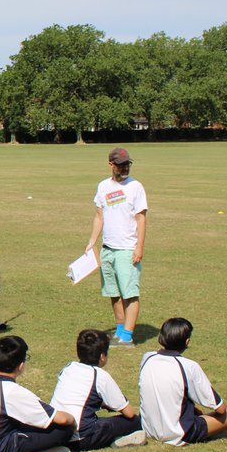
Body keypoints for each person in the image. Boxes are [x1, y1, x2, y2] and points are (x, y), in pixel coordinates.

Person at [138, 318, 227, 445]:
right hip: (180, 433)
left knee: (193, 409)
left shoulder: (147, 357)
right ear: (187, 341)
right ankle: (218, 431)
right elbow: (220, 409)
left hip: (147, 427)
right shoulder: (189, 366)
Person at [84, 147, 148, 348]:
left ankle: (127, 337)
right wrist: (92, 241)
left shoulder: (136, 187)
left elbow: (141, 218)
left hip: (127, 249)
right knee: (113, 293)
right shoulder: (103, 186)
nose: (125, 167)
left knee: (130, 294)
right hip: (108, 248)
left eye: (127, 164)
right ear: (111, 165)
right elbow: (99, 216)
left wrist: (139, 247)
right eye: (121, 165)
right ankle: (120, 331)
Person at [50, 329, 145, 451]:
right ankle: (122, 439)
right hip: (82, 437)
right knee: (134, 421)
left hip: (57, 433)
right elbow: (129, 413)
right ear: (102, 356)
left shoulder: (68, 367)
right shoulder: (99, 375)